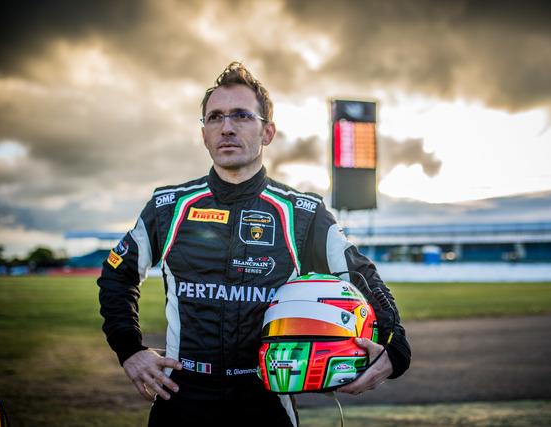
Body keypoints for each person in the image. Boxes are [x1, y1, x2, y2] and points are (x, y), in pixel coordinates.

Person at [97, 62, 411, 426]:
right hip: (182, 397)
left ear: (267, 132)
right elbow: (116, 275)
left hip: (266, 399)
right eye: (215, 117)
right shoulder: (168, 207)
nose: (227, 127)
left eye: (242, 115)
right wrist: (130, 350)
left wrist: (395, 349)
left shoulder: (302, 213)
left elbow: (361, 275)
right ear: (204, 134)